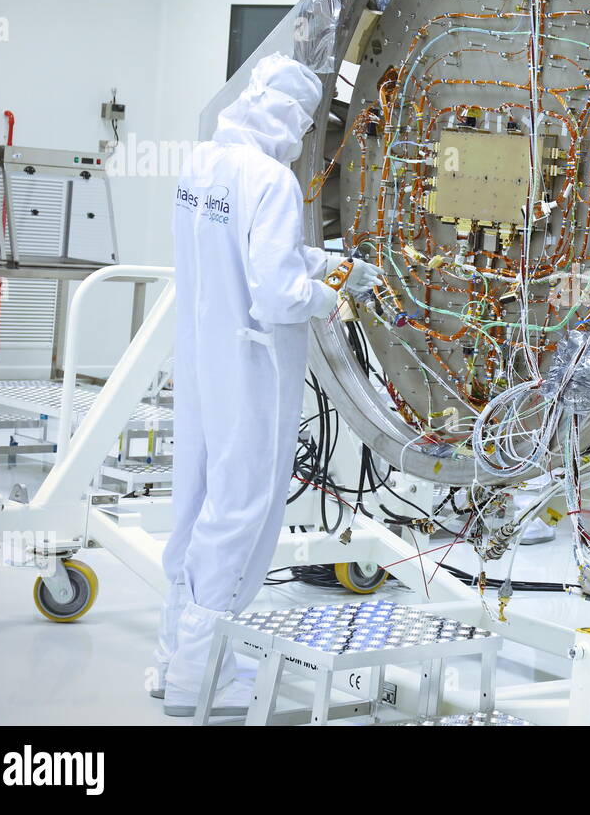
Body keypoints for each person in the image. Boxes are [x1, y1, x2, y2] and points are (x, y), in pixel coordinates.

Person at [153, 53, 383, 716]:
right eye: (306, 121)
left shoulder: (203, 163)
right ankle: (205, 680)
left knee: (194, 506)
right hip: (252, 367)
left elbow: (244, 249)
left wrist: (334, 265)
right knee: (240, 516)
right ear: (291, 117)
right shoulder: (274, 181)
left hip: (202, 358)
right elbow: (280, 295)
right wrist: (326, 296)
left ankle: (175, 657)